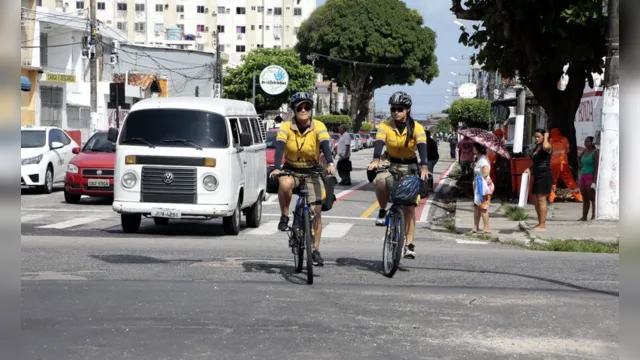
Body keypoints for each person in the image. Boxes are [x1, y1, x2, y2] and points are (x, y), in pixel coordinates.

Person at [269, 92, 337, 266]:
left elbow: (325, 144)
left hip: (312, 171)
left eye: (307, 107)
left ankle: (315, 250)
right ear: (294, 109)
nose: (304, 110)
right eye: (300, 107)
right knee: (284, 183)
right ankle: (284, 216)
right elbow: (280, 147)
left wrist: (330, 162)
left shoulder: (318, 125)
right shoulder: (286, 126)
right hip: (292, 169)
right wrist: (277, 167)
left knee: (317, 211)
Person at [367, 91, 430, 259]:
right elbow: (380, 142)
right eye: (393, 109)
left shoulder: (417, 127)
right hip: (391, 163)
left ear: (407, 109)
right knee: (380, 181)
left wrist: (424, 166)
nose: (396, 112)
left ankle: (409, 244)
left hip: (410, 166)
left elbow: (422, 145)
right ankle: (382, 210)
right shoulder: (385, 126)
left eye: (400, 109)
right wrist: (375, 159)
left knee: (409, 208)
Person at [523, 128, 553, 231]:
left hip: (544, 175)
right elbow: (536, 161)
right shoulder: (537, 147)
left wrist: (546, 138)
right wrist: (529, 168)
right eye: (535, 137)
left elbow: (546, 147)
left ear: (543, 136)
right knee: (535, 200)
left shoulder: (547, 146)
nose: (536, 139)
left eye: (538, 137)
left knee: (542, 199)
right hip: (537, 174)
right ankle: (540, 222)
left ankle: (542, 225)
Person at [549, 128, 583, 202]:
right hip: (564, 163)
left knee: (553, 181)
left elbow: (549, 152)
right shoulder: (565, 139)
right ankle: (579, 197)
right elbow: (567, 151)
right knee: (569, 180)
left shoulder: (551, 141)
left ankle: (551, 198)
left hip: (554, 164)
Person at [471, 143, 494, 233]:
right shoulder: (479, 159)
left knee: (483, 207)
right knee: (477, 206)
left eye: (473, 147)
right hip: (478, 186)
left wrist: (479, 181)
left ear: (477, 149)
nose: (472, 149)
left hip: (484, 187)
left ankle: (486, 228)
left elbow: (485, 172)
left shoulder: (484, 160)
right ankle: (475, 227)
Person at [578, 136, 599, 220]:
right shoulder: (584, 151)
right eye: (585, 142)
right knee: (585, 197)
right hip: (583, 175)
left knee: (592, 198)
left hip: (590, 176)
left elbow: (597, 167)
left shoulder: (595, 152)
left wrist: (594, 181)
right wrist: (581, 166)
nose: (586, 143)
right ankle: (584, 216)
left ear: (592, 143)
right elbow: (579, 159)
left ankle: (593, 215)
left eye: (588, 142)